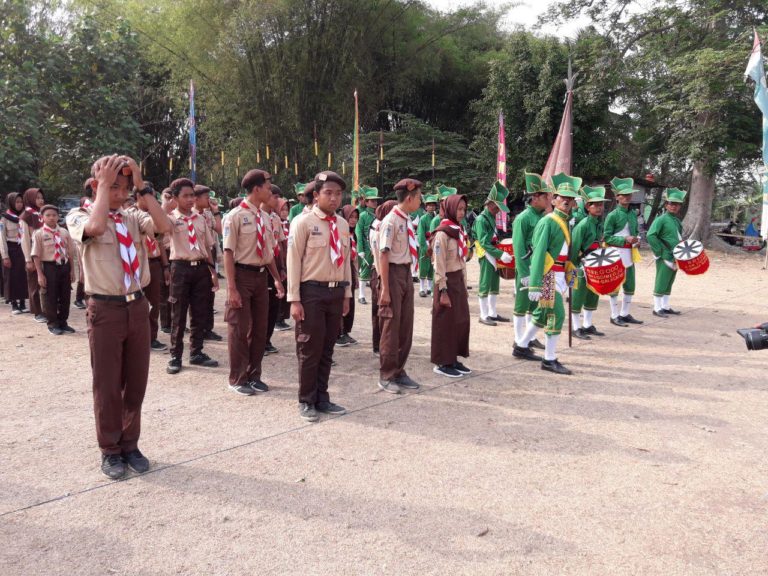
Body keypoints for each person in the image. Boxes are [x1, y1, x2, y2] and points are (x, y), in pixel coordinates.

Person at [67, 154, 171, 479]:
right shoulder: (77, 216)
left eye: (124, 187)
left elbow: (165, 227)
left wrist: (142, 185)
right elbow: (95, 228)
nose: (120, 193)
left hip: (136, 305)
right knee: (108, 383)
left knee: (136, 381)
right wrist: (102, 189)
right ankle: (110, 449)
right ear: (97, 187)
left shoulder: (133, 217)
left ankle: (131, 443)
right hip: (106, 308)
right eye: (114, 187)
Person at [287, 170, 352, 422]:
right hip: (311, 292)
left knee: (327, 348)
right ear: (316, 195)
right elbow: (293, 262)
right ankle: (306, 400)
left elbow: (345, 261)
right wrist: (294, 299)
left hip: (335, 292)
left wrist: (346, 293)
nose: (334, 198)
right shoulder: (302, 223)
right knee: (309, 348)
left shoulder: (343, 224)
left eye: (338, 194)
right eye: (328, 193)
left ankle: (322, 398)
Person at [223, 169, 285, 396]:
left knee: (260, 328)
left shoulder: (265, 218)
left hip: (261, 277)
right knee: (239, 329)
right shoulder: (235, 217)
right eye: (268, 187)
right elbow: (228, 252)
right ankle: (237, 378)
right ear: (257, 189)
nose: (271, 191)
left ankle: (254, 374)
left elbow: (268, 252)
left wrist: (277, 280)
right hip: (241, 275)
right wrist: (231, 288)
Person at [520, 173, 581, 375]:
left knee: (542, 314)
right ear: (553, 200)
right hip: (547, 275)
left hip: (560, 274)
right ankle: (549, 359)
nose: (566, 200)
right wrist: (535, 283)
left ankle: (520, 345)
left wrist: (570, 271)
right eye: (562, 197)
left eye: (570, 198)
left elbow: (565, 253)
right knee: (557, 314)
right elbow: (538, 254)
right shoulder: (548, 221)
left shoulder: (566, 222)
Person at [163, 178, 220, 375]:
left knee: (200, 312)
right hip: (180, 267)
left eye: (192, 196)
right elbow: (156, 232)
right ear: (176, 198)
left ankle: (196, 352)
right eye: (185, 196)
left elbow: (207, 246)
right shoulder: (170, 219)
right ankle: (175, 355)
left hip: (201, 268)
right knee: (178, 314)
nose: (190, 200)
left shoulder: (200, 218)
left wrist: (212, 271)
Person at [376, 178, 423, 394]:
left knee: (405, 326)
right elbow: (383, 255)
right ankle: (386, 375)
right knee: (391, 328)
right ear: (410, 198)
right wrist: (385, 288)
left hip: (405, 272)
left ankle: (399, 371)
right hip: (392, 273)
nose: (421, 201)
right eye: (420, 197)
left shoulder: (407, 219)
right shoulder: (391, 221)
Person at [430, 193, 471, 377]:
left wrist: (464, 283)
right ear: (450, 209)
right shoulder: (442, 233)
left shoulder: (458, 230)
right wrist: (443, 289)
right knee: (445, 323)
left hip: (458, 281)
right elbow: (438, 264)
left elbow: (462, 260)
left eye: (464, 209)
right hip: (445, 282)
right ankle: (442, 362)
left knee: (460, 321)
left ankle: (453, 358)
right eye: (459, 209)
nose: (462, 212)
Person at [511, 173, 551, 361]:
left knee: (534, 305)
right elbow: (518, 247)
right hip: (526, 268)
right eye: (545, 197)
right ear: (535, 198)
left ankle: (530, 337)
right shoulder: (523, 218)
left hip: (538, 268)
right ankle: (519, 340)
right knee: (521, 305)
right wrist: (525, 272)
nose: (548, 200)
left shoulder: (542, 217)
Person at [570, 186, 609, 339]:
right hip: (581, 265)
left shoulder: (599, 223)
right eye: (596, 205)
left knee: (593, 294)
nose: (599, 208)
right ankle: (575, 327)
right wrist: (574, 268)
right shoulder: (583, 224)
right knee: (578, 296)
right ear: (587, 207)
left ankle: (587, 324)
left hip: (595, 264)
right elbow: (574, 248)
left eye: (601, 205)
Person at [133, 185, 169, 351]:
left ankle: (151, 337)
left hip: (154, 263)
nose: (153, 201)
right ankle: (136, 337)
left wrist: (165, 265)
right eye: (150, 197)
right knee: (136, 303)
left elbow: (160, 241)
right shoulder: (130, 217)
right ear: (139, 197)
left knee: (154, 301)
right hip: (138, 264)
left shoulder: (154, 219)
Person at [31, 205, 77, 335]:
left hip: (64, 266)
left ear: (58, 217)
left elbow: (70, 252)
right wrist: (40, 274)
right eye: (48, 215)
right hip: (49, 267)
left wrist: (72, 270)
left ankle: (63, 322)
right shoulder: (39, 234)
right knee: (49, 296)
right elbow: (36, 255)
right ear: (42, 217)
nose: (51, 218)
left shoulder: (64, 232)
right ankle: (52, 323)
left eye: (54, 215)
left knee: (65, 295)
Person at [604, 177, 643, 327]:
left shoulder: (633, 214)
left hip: (630, 254)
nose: (626, 197)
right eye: (623, 195)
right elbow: (606, 237)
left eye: (629, 194)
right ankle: (614, 315)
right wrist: (625, 239)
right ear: (617, 197)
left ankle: (625, 313)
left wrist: (637, 240)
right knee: (615, 285)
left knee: (630, 285)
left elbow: (635, 232)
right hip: (616, 253)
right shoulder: (612, 215)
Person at [473, 182, 513, 326]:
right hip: (486, 253)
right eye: (496, 207)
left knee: (494, 284)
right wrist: (500, 254)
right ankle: (483, 315)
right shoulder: (481, 219)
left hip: (494, 252)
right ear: (489, 204)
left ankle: (492, 313)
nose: (498, 210)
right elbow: (484, 242)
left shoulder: (490, 216)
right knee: (485, 283)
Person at [647, 188, 686, 317]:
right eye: (671, 203)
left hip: (675, 256)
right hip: (665, 255)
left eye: (677, 204)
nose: (674, 206)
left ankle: (665, 306)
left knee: (669, 280)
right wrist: (659, 251)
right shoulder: (661, 219)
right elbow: (651, 235)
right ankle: (657, 308)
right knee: (661, 280)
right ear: (666, 205)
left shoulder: (676, 221)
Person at [194, 184, 224, 342]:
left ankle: (208, 328)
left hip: (209, 252)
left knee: (210, 292)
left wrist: (216, 211)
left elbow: (220, 229)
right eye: (206, 197)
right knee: (198, 297)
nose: (209, 200)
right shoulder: (189, 215)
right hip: (196, 254)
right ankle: (197, 330)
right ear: (196, 199)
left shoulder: (207, 214)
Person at [369, 200, 397, 356]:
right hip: (379, 272)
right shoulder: (378, 228)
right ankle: (378, 345)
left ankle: (385, 343)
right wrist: (381, 279)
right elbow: (379, 254)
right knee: (380, 311)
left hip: (385, 272)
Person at [263, 184, 287, 354]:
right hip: (261, 266)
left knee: (273, 305)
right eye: (274, 196)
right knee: (261, 307)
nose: (277, 200)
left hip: (276, 265)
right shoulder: (258, 217)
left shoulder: (276, 219)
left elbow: (280, 244)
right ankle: (258, 340)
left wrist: (283, 267)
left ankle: (267, 340)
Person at [19, 188, 46, 323]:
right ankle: (37, 312)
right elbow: (24, 239)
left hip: (46, 254)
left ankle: (47, 309)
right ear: (30, 199)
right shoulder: (26, 216)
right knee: (34, 284)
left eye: (42, 197)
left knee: (46, 283)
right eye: (37, 198)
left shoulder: (43, 214)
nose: (41, 200)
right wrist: (28, 259)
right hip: (32, 254)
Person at [1, 192, 28, 314]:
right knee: (11, 277)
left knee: (23, 276)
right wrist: (5, 256)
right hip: (11, 249)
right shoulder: (4, 218)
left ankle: (22, 302)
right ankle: (14, 304)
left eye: (21, 202)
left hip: (23, 248)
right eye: (17, 202)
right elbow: (1, 239)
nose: (19, 204)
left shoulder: (25, 217)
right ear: (11, 203)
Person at [337, 204, 359, 346]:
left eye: (356, 218)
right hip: (342, 269)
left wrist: (355, 276)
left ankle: (346, 331)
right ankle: (338, 333)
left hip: (350, 268)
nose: (353, 220)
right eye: (350, 217)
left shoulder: (353, 233)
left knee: (350, 302)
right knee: (341, 302)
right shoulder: (341, 232)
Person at [354, 185, 381, 304]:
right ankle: (361, 295)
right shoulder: (363, 215)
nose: (375, 202)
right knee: (365, 270)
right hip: (366, 246)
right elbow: (359, 233)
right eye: (372, 200)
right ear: (366, 202)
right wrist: (361, 249)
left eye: (376, 200)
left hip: (377, 247)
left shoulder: (378, 215)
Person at [417, 194, 438, 297]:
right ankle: (421, 288)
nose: (431, 207)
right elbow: (420, 234)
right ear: (426, 207)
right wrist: (424, 247)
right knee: (424, 266)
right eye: (429, 205)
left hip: (434, 245)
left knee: (432, 266)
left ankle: (429, 287)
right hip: (425, 244)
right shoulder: (423, 218)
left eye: (433, 205)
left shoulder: (437, 218)